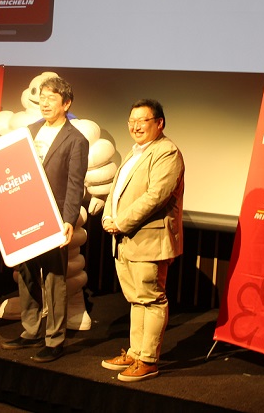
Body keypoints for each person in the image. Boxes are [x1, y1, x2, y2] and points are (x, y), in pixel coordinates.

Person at [1, 76, 89, 362]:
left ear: (66, 103)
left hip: (54, 218)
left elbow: (75, 184)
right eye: (42, 98)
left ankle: (55, 339)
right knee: (26, 274)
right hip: (25, 213)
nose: (45, 103)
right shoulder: (29, 131)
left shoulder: (76, 139)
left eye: (52, 98)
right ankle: (30, 331)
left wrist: (68, 220)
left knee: (54, 279)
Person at [101, 99, 185, 382]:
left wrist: (120, 222)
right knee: (136, 300)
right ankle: (135, 352)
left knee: (151, 299)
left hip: (149, 240)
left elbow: (156, 197)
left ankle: (148, 359)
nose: (135, 126)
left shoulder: (167, 152)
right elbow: (117, 190)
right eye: (132, 121)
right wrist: (107, 216)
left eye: (142, 121)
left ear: (159, 123)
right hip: (126, 239)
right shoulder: (135, 152)